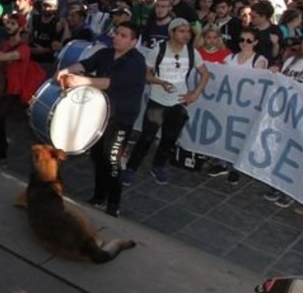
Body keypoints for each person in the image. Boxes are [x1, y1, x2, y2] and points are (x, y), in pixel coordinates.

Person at [59, 22, 146, 217]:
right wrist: (67, 70)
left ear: (133, 41)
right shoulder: (106, 53)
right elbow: (85, 64)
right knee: (97, 156)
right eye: (117, 33)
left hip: (121, 118)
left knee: (112, 159)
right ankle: (99, 196)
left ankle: (113, 204)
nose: (117, 38)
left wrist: (81, 81)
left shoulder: (136, 62)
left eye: (123, 36)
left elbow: (109, 83)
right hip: (100, 112)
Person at [125, 18, 210, 185]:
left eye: (188, 31)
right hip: (157, 101)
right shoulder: (159, 50)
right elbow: (146, 75)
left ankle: (158, 166)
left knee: (169, 138)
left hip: (179, 102)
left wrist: (195, 94)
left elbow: (205, 74)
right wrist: (160, 82)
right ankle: (131, 168)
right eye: (182, 31)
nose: (186, 35)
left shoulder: (192, 52)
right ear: (172, 33)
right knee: (146, 137)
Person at [0, 14, 46, 165]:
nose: (9, 26)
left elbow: (4, 57)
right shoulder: (4, 43)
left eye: (13, 24)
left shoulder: (24, 48)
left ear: (21, 28)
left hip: (12, 92)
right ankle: (2, 149)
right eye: (8, 23)